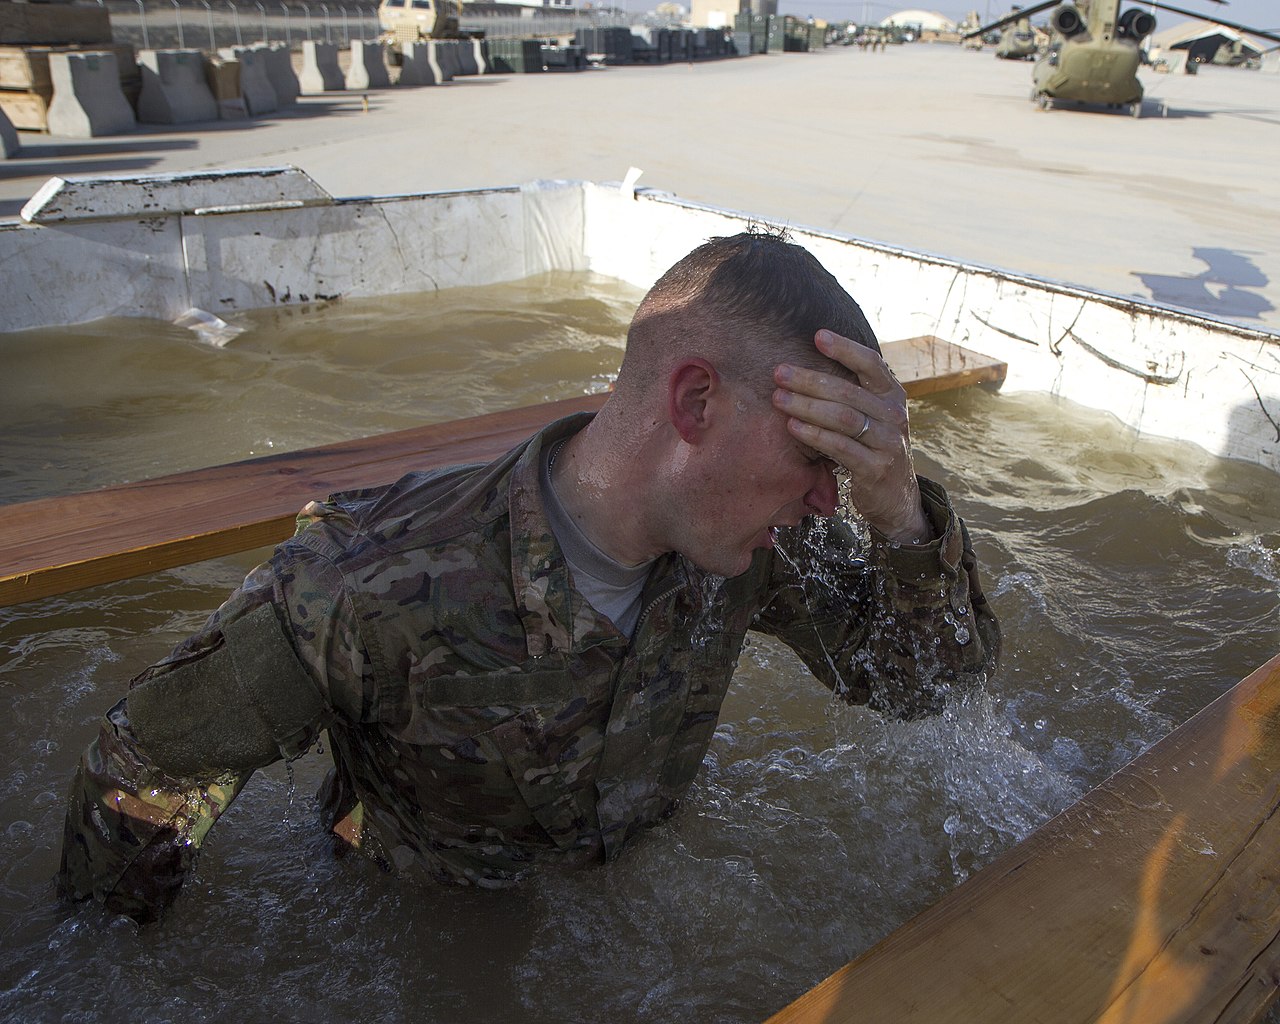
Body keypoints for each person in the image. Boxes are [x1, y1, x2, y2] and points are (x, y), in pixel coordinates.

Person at [58, 230, 999, 923]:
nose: (826, 504)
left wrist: (903, 511)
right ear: (696, 401)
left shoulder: (751, 548)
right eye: (817, 458)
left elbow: (926, 692)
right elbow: (140, 769)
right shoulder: (369, 583)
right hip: (417, 925)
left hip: (621, 904)